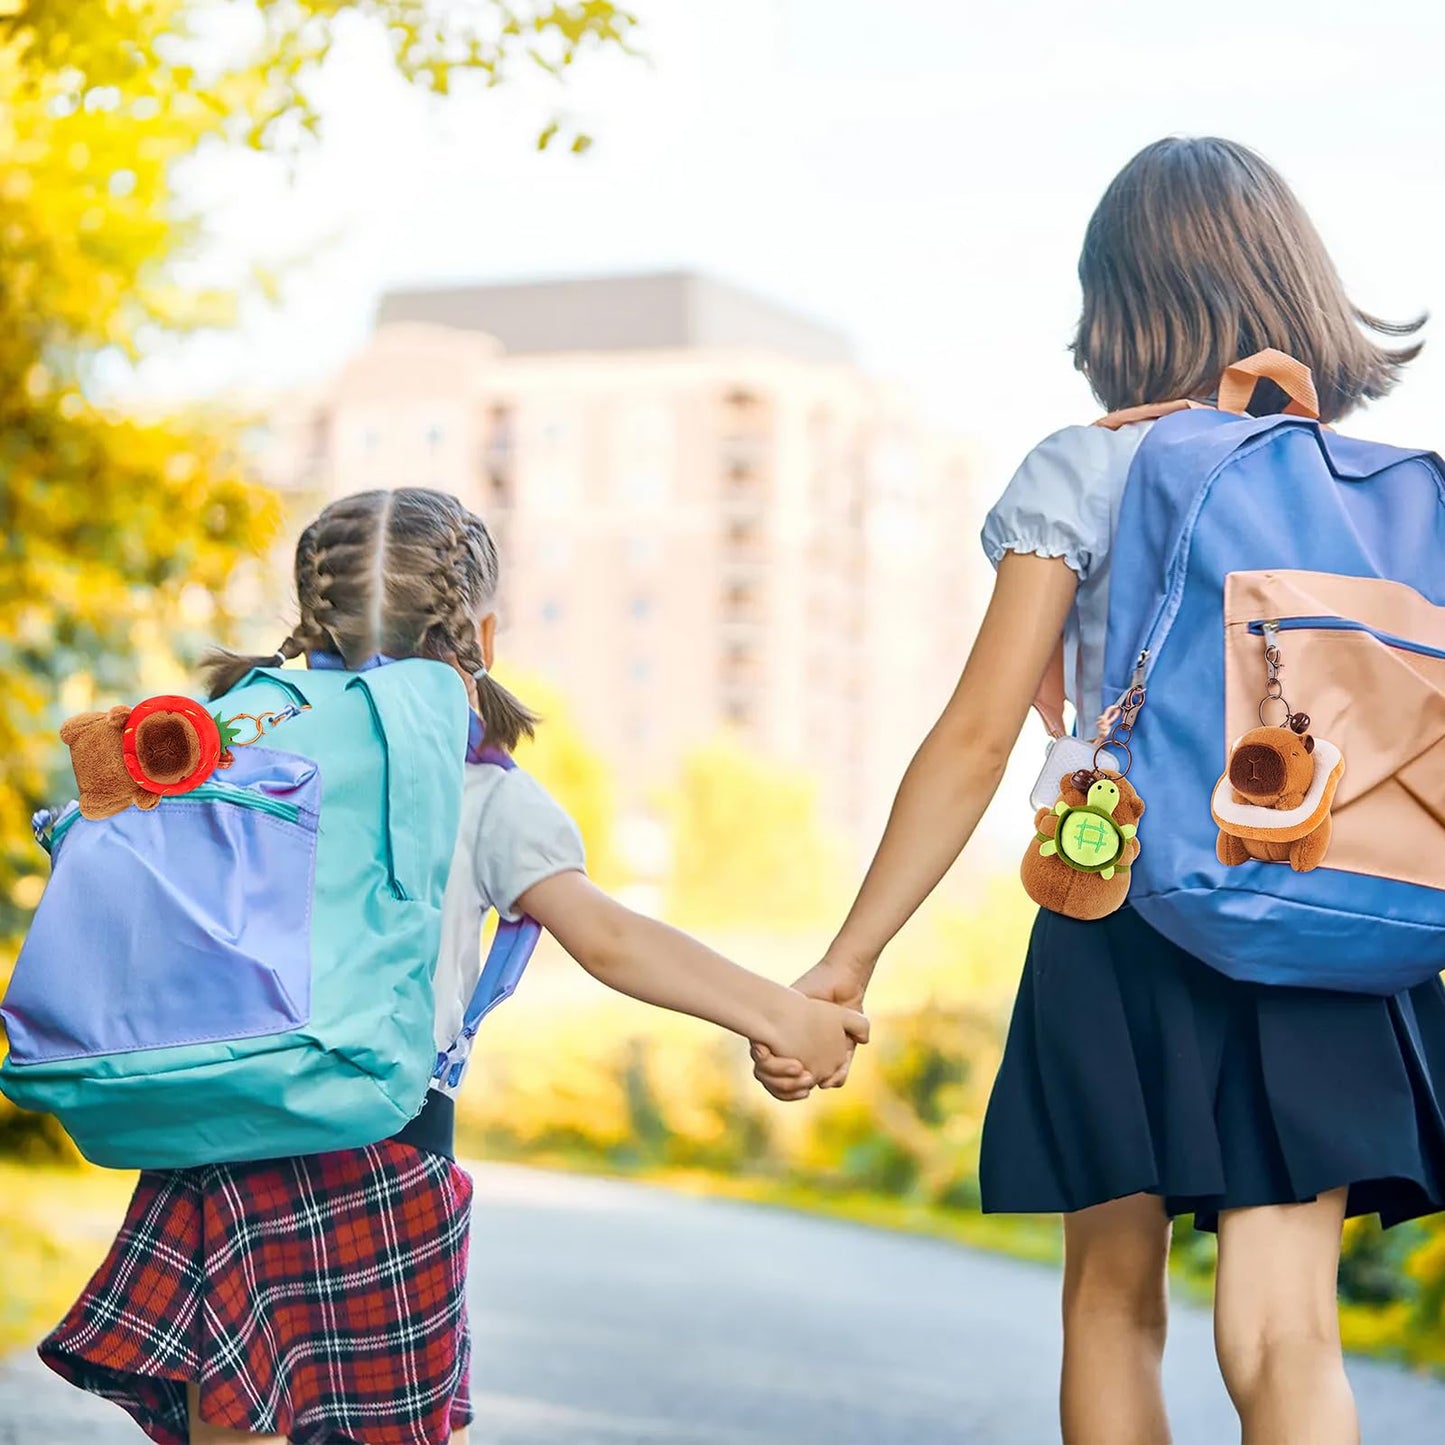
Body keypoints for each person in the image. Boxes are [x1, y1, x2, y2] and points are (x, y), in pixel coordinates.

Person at [753, 136, 1445, 1445]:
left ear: (1116, 300)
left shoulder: (1087, 468)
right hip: (1341, 916)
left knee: (1111, 1306)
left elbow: (971, 739)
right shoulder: (1382, 497)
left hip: (1125, 904)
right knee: (1291, 1328)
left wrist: (847, 959)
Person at [38, 487, 869, 1445]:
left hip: (220, 1151)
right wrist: (780, 1014)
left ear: (309, 622)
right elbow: (611, 940)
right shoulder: (481, 793)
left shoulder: (229, 763)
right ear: (483, 633)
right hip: (387, 1160)